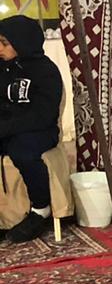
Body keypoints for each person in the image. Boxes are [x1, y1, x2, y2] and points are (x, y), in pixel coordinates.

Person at [0, 15, 62, 243]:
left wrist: (6, 127)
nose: (0, 49)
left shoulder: (46, 71)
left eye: (5, 43)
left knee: (22, 151)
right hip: (8, 128)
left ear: (22, 42)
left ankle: (40, 210)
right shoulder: (2, 68)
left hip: (40, 130)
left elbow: (42, 116)